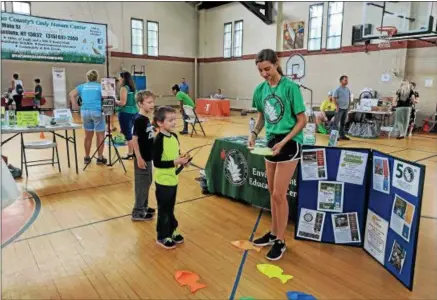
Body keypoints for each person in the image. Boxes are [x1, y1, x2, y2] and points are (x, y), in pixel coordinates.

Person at [248, 49, 307, 261]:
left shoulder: (290, 88)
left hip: (289, 143)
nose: (264, 73)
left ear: (276, 63)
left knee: (278, 195)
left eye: (267, 69)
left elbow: (302, 120)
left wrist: (284, 141)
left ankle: (281, 240)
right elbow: (262, 116)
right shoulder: (260, 90)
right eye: (260, 70)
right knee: (272, 192)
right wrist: (254, 133)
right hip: (270, 143)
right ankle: (273, 233)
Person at [153, 106, 190, 249]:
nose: (174, 123)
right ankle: (162, 236)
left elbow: (176, 154)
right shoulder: (158, 140)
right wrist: (175, 162)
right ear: (160, 123)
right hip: (163, 181)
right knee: (164, 209)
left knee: (170, 208)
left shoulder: (174, 136)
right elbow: (157, 162)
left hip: (173, 179)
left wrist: (183, 161)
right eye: (170, 120)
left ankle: (172, 229)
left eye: (175, 119)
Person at [69, 70, 107, 165]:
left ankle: (87, 157)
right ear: (97, 78)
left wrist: (75, 105)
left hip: (85, 112)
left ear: (87, 77)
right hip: (97, 111)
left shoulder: (82, 86)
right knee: (100, 135)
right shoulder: (100, 86)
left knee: (88, 136)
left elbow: (71, 94)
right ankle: (100, 157)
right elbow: (106, 98)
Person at [131, 90, 157, 221]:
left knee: (147, 182)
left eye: (153, 102)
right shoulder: (139, 120)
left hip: (148, 157)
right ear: (140, 104)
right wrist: (139, 158)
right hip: (142, 158)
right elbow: (134, 140)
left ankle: (144, 206)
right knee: (141, 185)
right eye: (149, 102)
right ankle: (138, 211)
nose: (152, 105)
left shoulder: (146, 119)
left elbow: (147, 135)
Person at [116, 71, 139, 159]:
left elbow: (122, 103)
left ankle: (130, 154)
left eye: (120, 77)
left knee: (128, 134)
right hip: (134, 112)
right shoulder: (132, 88)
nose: (119, 79)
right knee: (133, 133)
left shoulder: (124, 88)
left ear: (123, 78)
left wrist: (114, 100)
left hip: (126, 113)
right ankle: (134, 152)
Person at [332, 75, 351, 140]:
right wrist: (337, 106)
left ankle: (342, 135)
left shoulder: (347, 89)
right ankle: (334, 136)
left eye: (347, 80)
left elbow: (349, 97)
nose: (347, 81)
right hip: (339, 108)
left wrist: (349, 106)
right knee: (336, 123)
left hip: (345, 108)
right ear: (341, 81)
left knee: (343, 123)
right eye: (345, 80)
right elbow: (334, 98)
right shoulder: (337, 89)